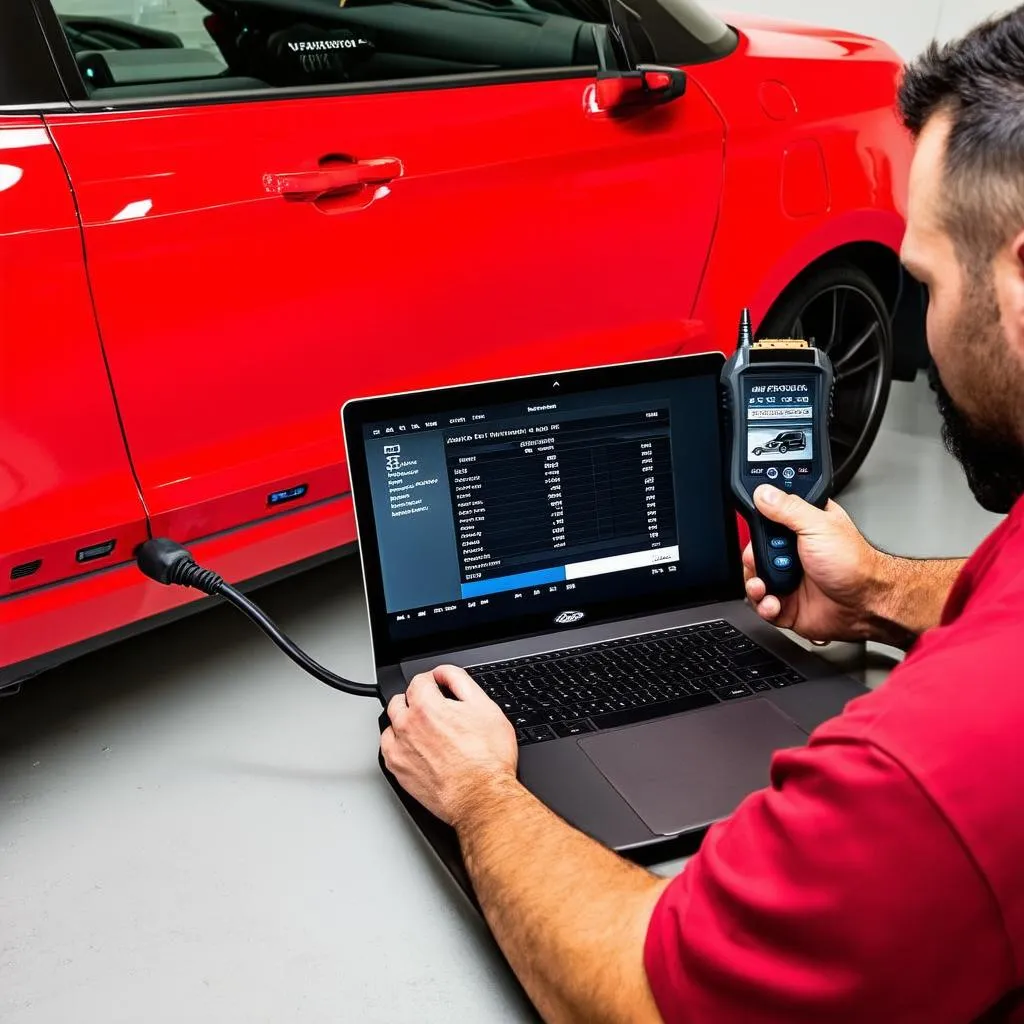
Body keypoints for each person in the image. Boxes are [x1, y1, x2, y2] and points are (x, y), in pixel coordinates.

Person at [380, 9, 1024, 1022]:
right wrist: (881, 594)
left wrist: (481, 793)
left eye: (927, 282)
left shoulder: (936, 762)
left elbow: (646, 989)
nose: (920, 330)